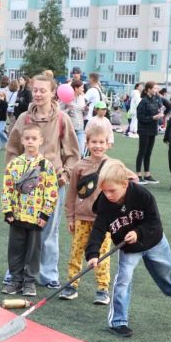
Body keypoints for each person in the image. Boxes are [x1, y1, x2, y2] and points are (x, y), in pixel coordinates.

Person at [85, 159, 171, 338]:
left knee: (168, 268)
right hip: (128, 249)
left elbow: (154, 221)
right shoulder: (104, 204)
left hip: (154, 241)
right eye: (104, 190)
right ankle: (118, 322)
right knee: (123, 280)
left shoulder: (142, 195)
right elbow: (98, 230)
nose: (107, 195)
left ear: (125, 184)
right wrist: (92, 254)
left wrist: (138, 232)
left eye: (112, 190)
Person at [5, 74, 81, 289]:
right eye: (35, 90)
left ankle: (48, 275)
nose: (38, 94)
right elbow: (12, 150)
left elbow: (73, 153)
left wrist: (65, 174)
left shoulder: (61, 119)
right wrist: (14, 177)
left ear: (52, 93)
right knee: (20, 231)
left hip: (51, 186)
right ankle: (15, 274)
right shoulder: (24, 119)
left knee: (48, 231)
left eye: (42, 90)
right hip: (25, 187)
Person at [0, 124, 59, 297]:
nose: (30, 142)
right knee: (15, 249)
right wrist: (8, 210)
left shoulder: (46, 166)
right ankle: (15, 280)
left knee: (34, 252)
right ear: (22, 141)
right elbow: (7, 188)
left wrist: (45, 213)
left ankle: (29, 281)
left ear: (41, 141)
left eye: (34, 138)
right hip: (17, 215)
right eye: (27, 138)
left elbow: (51, 191)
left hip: (35, 218)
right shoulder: (14, 164)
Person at [62, 125, 113, 304]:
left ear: (108, 144)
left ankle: (102, 289)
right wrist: (70, 216)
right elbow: (71, 194)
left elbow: (124, 184)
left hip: (103, 221)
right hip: (81, 219)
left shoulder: (111, 166)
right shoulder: (79, 166)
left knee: (102, 254)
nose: (98, 146)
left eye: (102, 142)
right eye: (94, 142)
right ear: (87, 143)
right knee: (76, 252)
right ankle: (72, 285)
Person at [134, 81, 165, 184]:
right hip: (144, 130)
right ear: (148, 89)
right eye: (154, 88)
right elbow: (140, 117)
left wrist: (160, 113)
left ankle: (147, 174)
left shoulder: (156, 100)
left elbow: (163, 107)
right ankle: (138, 175)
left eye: (157, 88)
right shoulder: (143, 101)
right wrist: (153, 117)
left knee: (149, 152)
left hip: (152, 129)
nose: (156, 90)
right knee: (142, 152)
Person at [63, 79, 86, 156]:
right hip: (70, 129)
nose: (83, 89)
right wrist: (68, 110)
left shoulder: (82, 98)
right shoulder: (67, 97)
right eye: (81, 87)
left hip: (80, 128)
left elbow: (83, 113)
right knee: (69, 152)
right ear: (76, 88)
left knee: (81, 152)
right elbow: (59, 112)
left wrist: (86, 110)